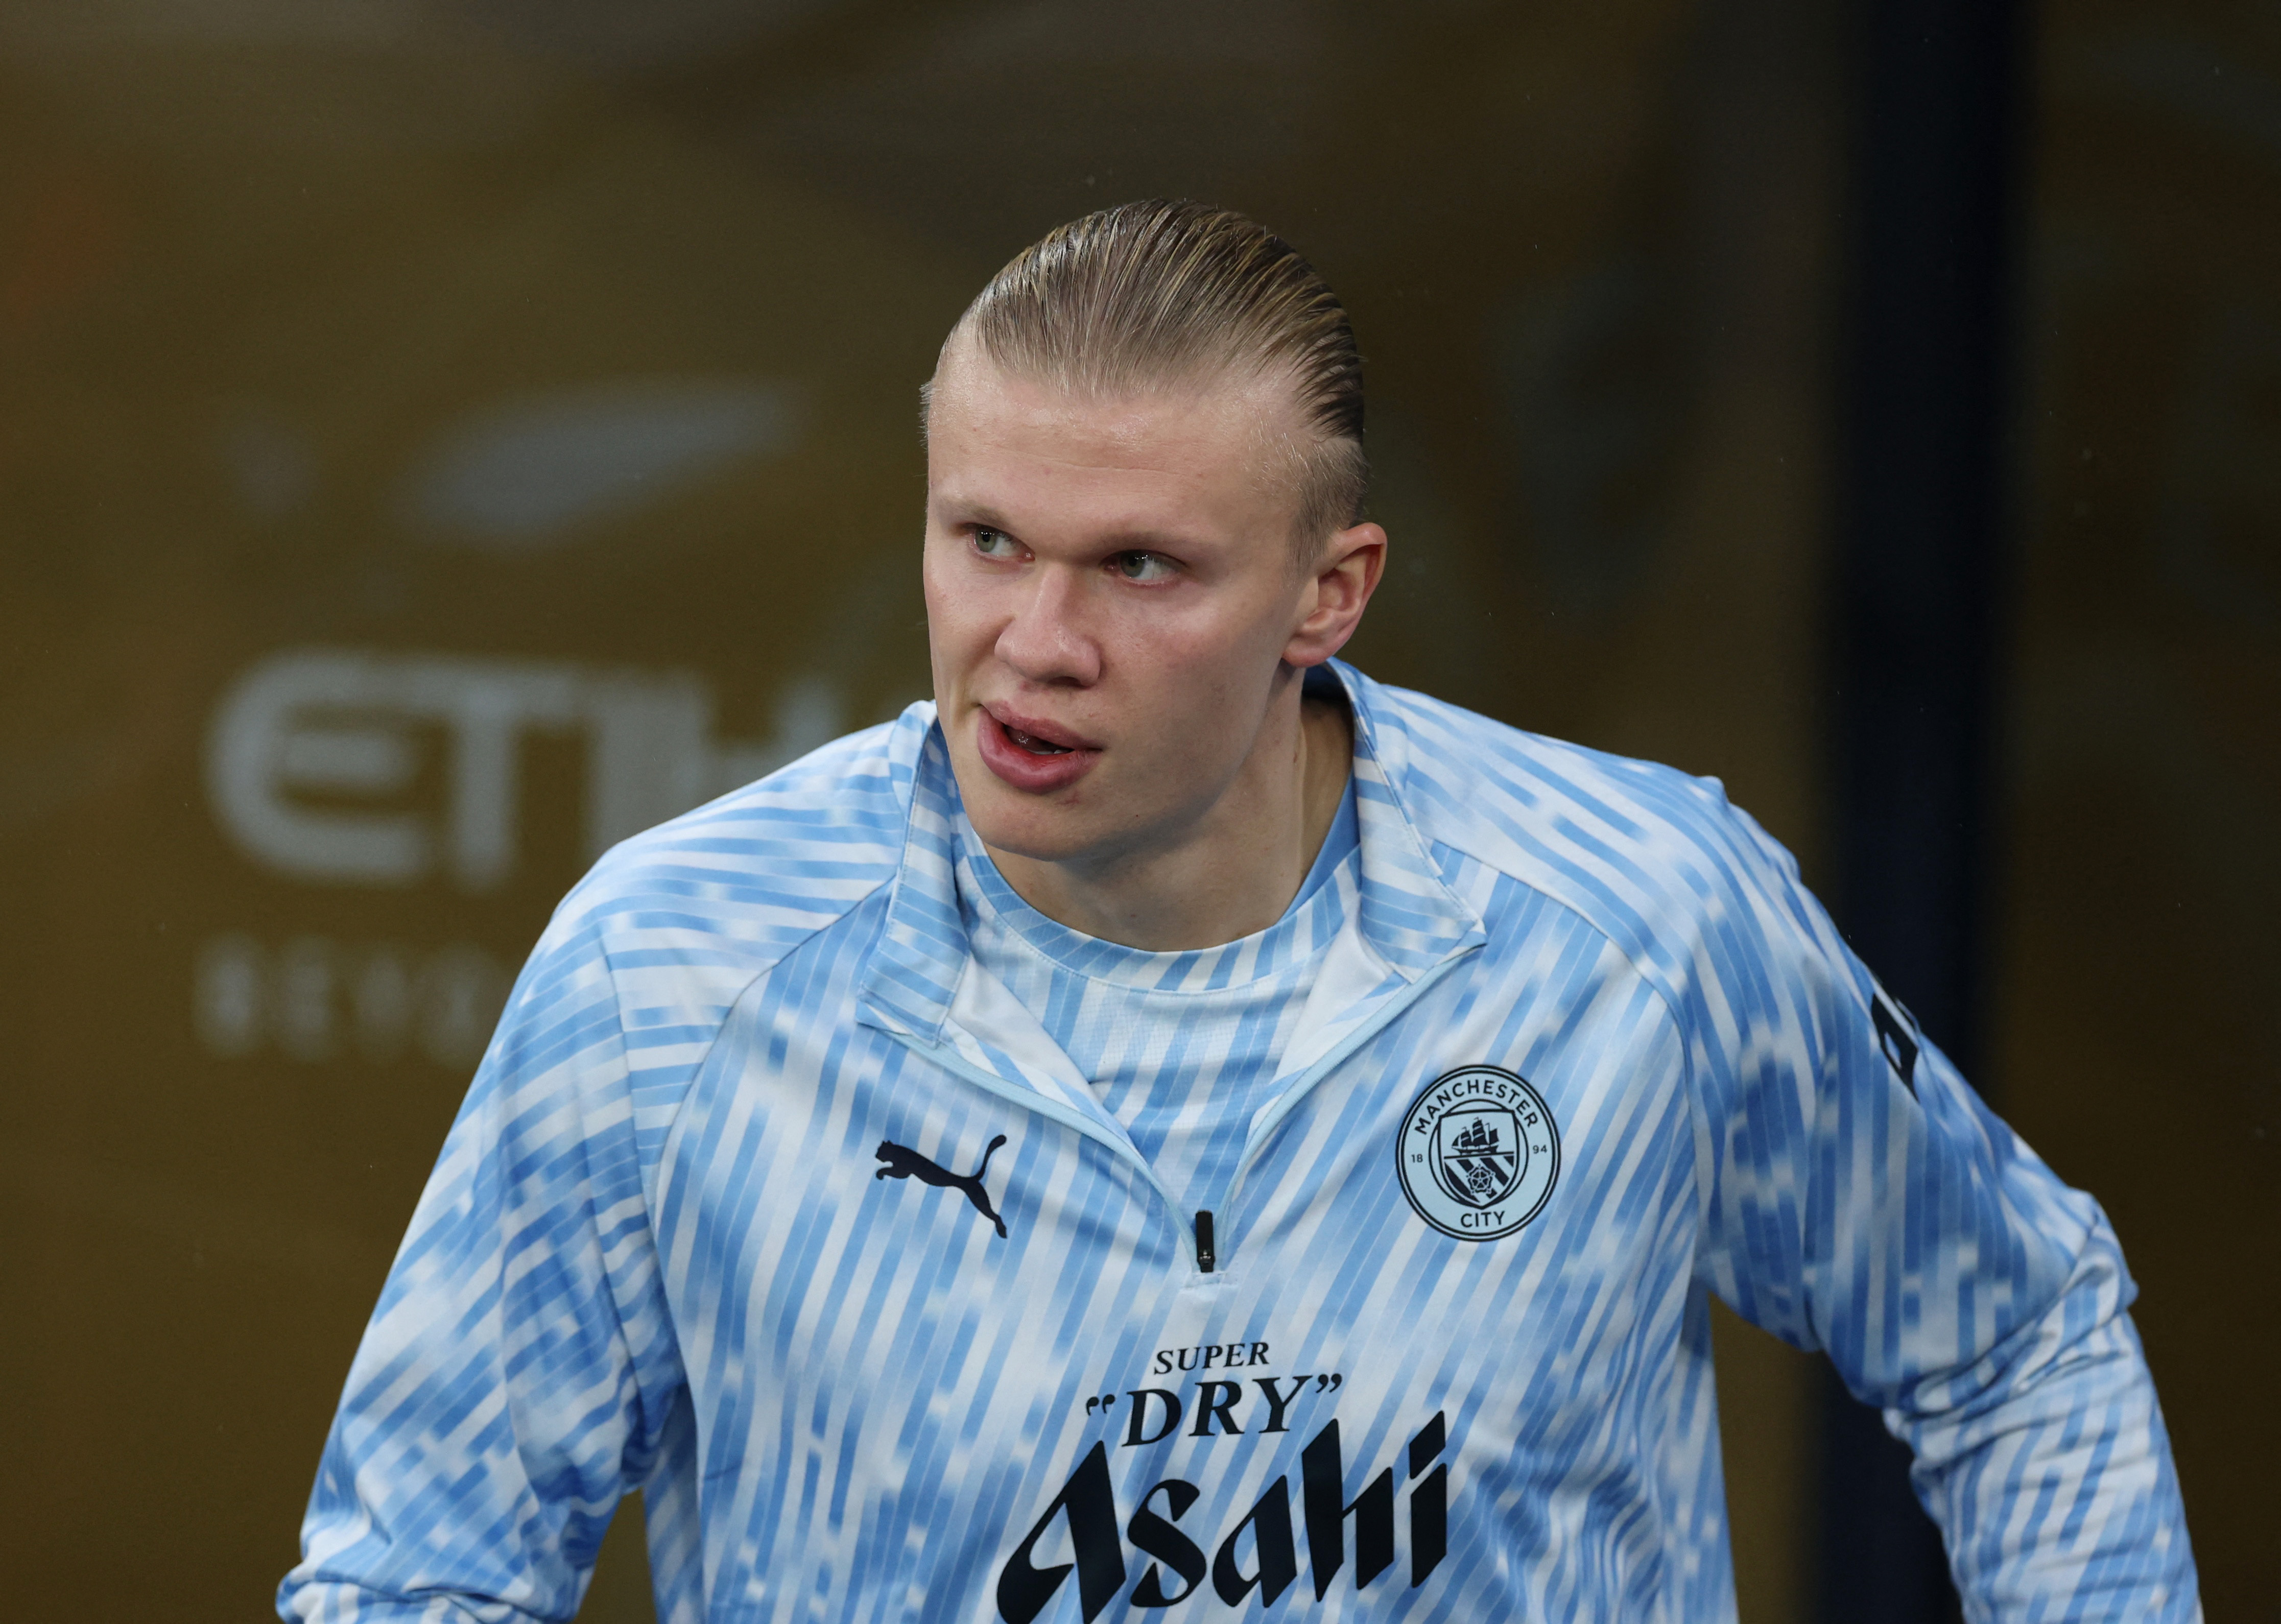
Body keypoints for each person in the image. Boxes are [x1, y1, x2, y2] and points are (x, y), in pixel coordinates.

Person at [280, 200, 2198, 1622]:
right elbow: (417, 1574)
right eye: (986, 540)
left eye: (1139, 565)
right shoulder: (671, 972)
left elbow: (2017, 1343)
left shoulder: (1636, 917)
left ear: (1328, 590)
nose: (1034, 643)